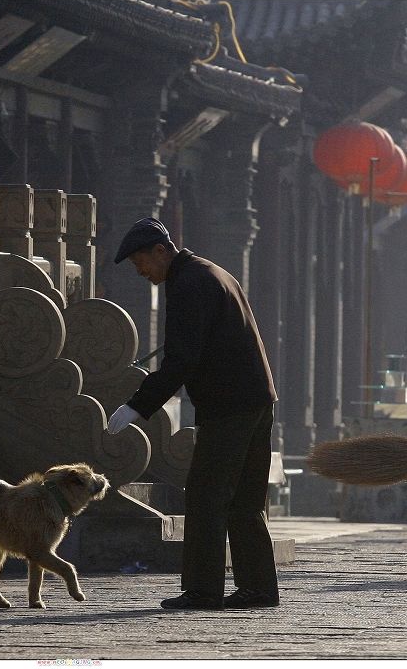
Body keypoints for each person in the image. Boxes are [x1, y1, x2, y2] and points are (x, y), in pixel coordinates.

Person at [107, 217, 279, 610]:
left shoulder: (187, 283)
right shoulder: (211, 272)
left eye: (142, 263)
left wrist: (138, 405)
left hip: (229, 405)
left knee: (205, 496)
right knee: (245, 501)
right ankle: (259, 588)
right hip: (256, 399)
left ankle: (203, 589)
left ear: (161, 251)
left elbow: (183, 358)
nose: (142, 272)